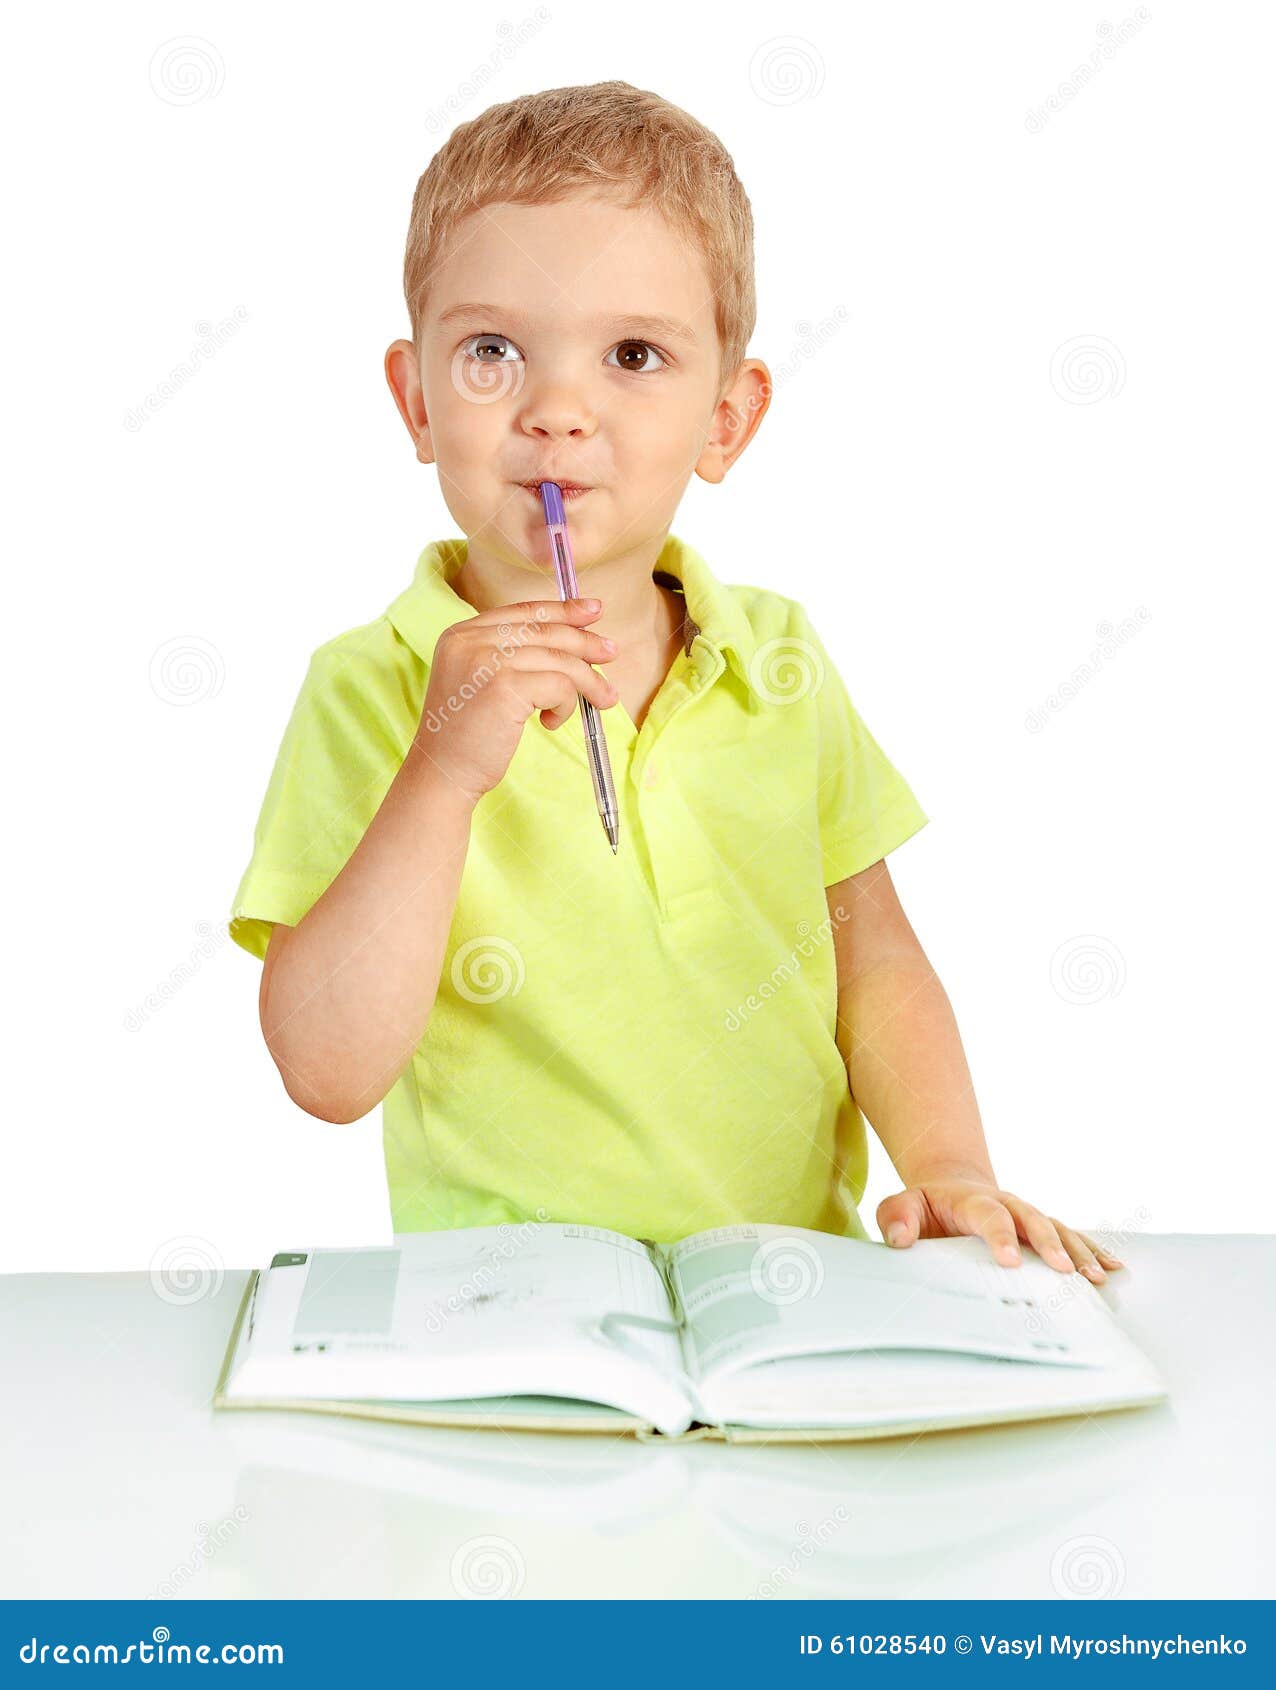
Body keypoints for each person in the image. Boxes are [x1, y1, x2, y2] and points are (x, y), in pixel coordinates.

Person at [229, 80, 1121, 1282]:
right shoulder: (368, 688)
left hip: (790, 1289)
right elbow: (325, 1073)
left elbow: (879, 965)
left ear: (726, 418)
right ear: (415, 399)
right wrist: (441, 773)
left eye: (634, 354)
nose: (556, 411)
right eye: (492, 351)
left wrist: (948, 1165)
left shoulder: (783, 664)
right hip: (509, 1311)